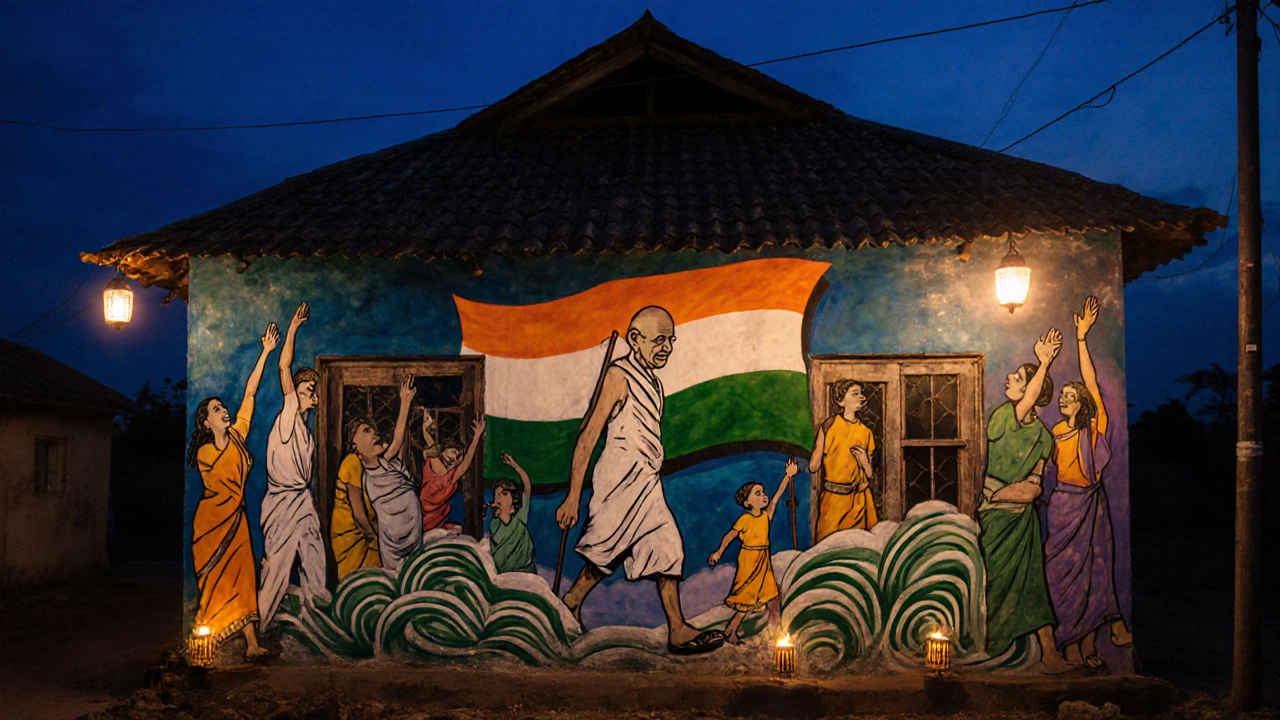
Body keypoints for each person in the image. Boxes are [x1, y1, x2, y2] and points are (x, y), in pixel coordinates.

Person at [556, 306, 725, 655]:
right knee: (604, 551)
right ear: (634, 339)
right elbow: (588, 436)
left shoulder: (655, 384)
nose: (666, 347)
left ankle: (677, 630)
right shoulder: (619, 375)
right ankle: (571, 601)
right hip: (619, 482)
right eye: (659, 339)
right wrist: (573, 495)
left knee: (667, 549)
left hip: (647, 481)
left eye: (671, 340)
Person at [1044, 296, 1133, 672]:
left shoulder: (1091, 428)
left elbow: (1094, 385)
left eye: (1069, 396)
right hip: (1062, 507)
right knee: (1062, 575)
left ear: (1081, 403)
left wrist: (1081, 339)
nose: (1063, 399)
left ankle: (1085, 643)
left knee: (1093, 573)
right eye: (1061, 396)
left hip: (1089, 504)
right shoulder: (1057, 432)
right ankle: (1069, 644)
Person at [977, 328, 1072, 674]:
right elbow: (1025, 404)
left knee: (1033, 585)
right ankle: (991, 649)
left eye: (1018, 378)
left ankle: (1050, 654)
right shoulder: (1002, 417)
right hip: (996, 520)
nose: (1009, 380)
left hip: (1023, 521)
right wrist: (1001, 495)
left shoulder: (1044, 438)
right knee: (995, 584)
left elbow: (1034, 484)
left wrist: (1044, 363)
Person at [187, 322, 279, 661]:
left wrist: (266, 352)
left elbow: (250, 394)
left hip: (236, 520)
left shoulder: (238, 438)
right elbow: (219, 487)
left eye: (223, 407)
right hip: (212, 523)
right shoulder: (204, 454)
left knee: (244, 577)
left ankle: (253, 645)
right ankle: (205, 641)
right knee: (215, 583)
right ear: (206, 422)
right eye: (215, 409)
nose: (224, 410)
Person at [257, 303, 329, 629]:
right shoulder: (288, 415)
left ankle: (319, 617)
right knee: (276, 568)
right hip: (283, 501)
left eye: (313, 390)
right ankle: (260, 626)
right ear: (296, 395)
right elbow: (284, 367)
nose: (312, 394)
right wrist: (294, 326)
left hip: (301, 500)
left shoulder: (305, 430)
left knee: (314, 555)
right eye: (307, 390)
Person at [708, 457, 798, 645]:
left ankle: (776, 631)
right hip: (749, 561)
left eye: (763, 492)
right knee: (746, 602)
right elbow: (729, 536)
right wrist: (718, 552)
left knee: (773, 596)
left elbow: (779, 494)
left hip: (763, 561)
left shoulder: (766, 515)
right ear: (748, 503)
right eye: (757, 493)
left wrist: (788, 476)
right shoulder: (745, 520)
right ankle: (731, 630)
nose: (763, 495)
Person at [353, 376, 423, 572]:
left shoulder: (387, 461)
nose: (375, 434)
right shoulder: (365, 477)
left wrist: (406, 401)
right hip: (392, 543)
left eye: (373, 431)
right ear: (355, 448)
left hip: (413, 532)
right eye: (366, 432)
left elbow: (398, 437)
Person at [809, 379, 878, 542]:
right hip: (833, 502)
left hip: (858, 501)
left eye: (861, 393)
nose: (861, 397)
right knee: (828, 549)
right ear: (841, 401)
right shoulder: (829, 426)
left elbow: (869, 474)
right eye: (855, 394)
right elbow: (813, 466)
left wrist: (864, 462)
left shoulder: (866, 432)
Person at [419, 412, 485, 534]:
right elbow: (429, 440)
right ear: (442, 452)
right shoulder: (434, 461)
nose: (454, 461)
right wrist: (425, 427)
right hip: (424, 512)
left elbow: (467, 460)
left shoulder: (453, 474)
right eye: (451, 456)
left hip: (440, 515)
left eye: (457, 458)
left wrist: (477, 436)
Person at [330, 450, 380, 580]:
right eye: (366, 431)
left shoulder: (368, 464)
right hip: (352, 536)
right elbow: (358, 512)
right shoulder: (352, 462)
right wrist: (373, 536)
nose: (374, 435)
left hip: (359, 534)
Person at [488, 452, 536, 574]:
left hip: (524, 573)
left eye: (504, 494)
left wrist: (514, 464)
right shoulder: (495, 524)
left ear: (513, 500)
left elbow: (527, 484)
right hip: (502, 575)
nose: (498, 499)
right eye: (496, 496)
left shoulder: (520, 516)